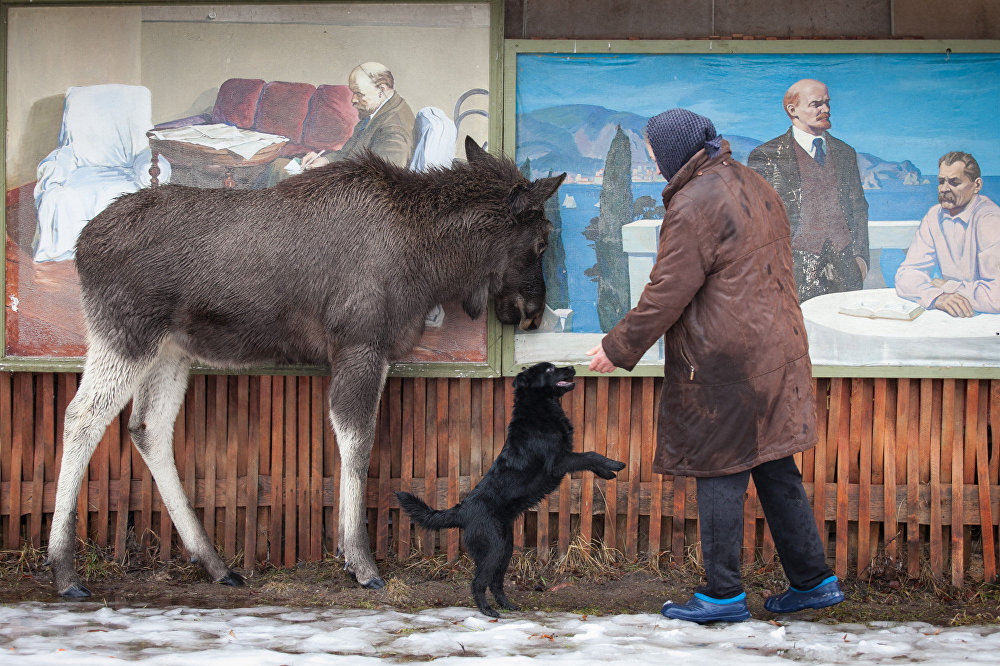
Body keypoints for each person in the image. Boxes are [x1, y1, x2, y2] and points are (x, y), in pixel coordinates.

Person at [586, 109, 843, 624]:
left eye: (654, 150)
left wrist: (617, 347)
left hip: (730, 363)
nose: (652, 159)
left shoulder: (694, 201)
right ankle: (814, 582)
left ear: (676, 151)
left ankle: (723, 595)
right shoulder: (751, 181)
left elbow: (666, 292)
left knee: (720, 470)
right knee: (775, 467)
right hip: (776, 351)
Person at [747, 79, 869, 302]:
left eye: (827, 103)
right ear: (792, 110)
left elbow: (859, 209)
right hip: (791, 275)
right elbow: (757, 221)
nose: (826, 110)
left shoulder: (845, 153)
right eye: (816, 104)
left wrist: (861, 260)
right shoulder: (766, 156)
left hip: (845, 273)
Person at [265, 61, 415, 184]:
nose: (353, 100)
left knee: (278, 171)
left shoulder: (394, 127)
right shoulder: (381, 112)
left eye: (359, 93)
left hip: (349, 193)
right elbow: (348, 153)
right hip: (346, 178)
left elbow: (381, 182)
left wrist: (329, 174)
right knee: (278, 167)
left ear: (381, 90)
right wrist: (325, 160)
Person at [894, 152, 1000, 316]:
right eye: (941, 181)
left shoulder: (990, 220)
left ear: (977, 185)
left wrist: (945, 286)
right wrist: (937, 297)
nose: (944, 188)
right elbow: (906, 275)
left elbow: (996, 296)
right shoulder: (934, 215)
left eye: (954, 182)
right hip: (954, 314)